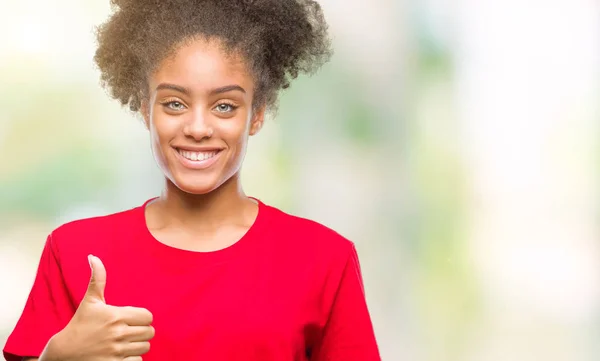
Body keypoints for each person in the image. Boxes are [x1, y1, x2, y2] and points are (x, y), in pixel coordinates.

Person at [3, 0, 381, 360]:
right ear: (144, 106)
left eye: (224, 106)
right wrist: (57, 359)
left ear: (257, 114)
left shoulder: (324, 260)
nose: (198, 127)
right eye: (174, 103)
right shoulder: (75, 253)